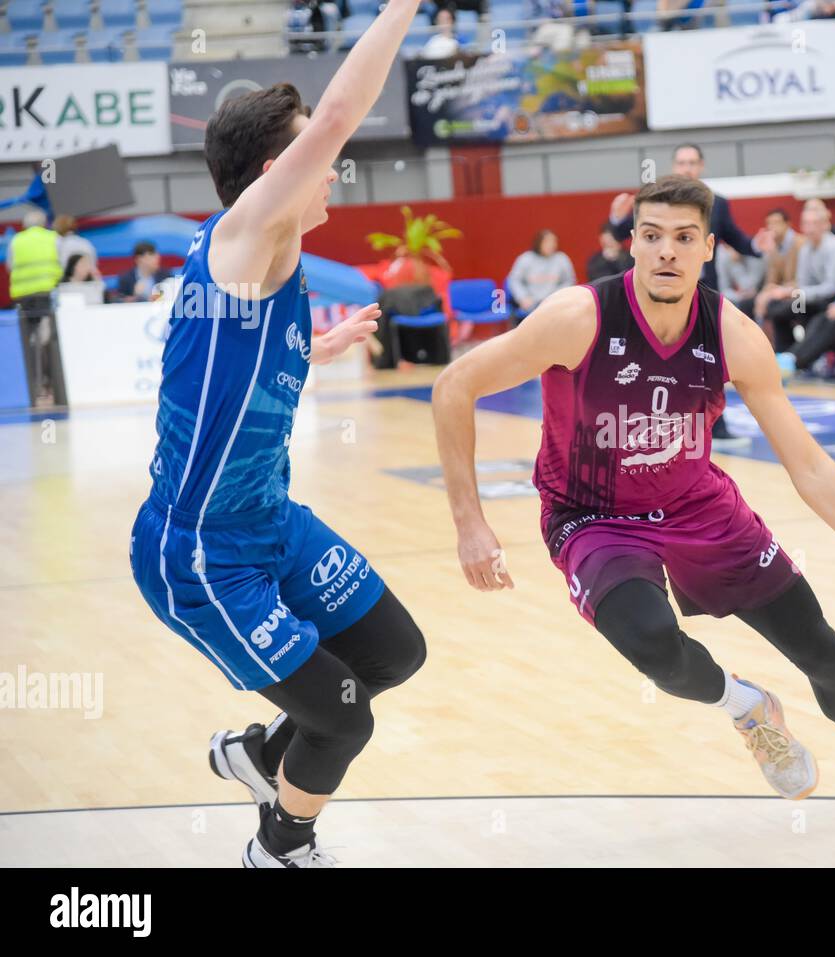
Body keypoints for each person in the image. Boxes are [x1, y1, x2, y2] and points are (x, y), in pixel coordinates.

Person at [432, 174, 835, 813]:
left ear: (707, 248)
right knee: (656, 649)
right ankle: (746, 707)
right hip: (593, 515)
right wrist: (471, 523)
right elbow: (454, 386)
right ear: (632, 244)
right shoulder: (577, 318)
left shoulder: (733, 334)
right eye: (652, 237)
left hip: (698, 506)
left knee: (818, 648)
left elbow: (811, 466)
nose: (667, 252)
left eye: (684, 239)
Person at [128, 2, 428, 869]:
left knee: (393, 651)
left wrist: (321, 348)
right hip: (203, 551)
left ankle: (258, 755)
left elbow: (239, 370)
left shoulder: (269, 265)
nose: (334, 169)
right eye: (318, 158)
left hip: (271, 522)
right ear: (277, 172)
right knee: (343, 712)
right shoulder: (243, 235)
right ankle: (279, 847)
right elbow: (338, 114)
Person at [605, 143, 769, 449]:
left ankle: (714, 428)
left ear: (701, 167)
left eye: (693, 162)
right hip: (653, 295)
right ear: (674, 166)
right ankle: (638, 427)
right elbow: (622, 235)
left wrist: (757, 246)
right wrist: (617, 220)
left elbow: (735, 238)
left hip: (701, 296)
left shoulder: (717, 204)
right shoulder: (653, 200)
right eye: (682, 162)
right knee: (643, 362)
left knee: (709, 362)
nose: (687, 168)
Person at [767, 202, 835, 369]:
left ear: (825, 225)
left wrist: (796, 292)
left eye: (815, 224)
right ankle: (784, 353)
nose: (810, 228)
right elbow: (802, 281)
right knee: (778, 309)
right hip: (812, 297)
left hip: (834, 299)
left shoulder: (834, 248)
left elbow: (832, 287)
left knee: (806, 310)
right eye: (806, 224)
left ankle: (795, 359)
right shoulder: (806, 248)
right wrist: (791, 293)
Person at [6, 209, 64, 406]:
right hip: (46, 296)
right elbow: (63, 264)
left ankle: (34, 389)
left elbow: (9, 266)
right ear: (44, 222)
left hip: (23, 298)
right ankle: (49, 386)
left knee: (29, 343)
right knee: (48, 341)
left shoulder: (16, 240)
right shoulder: (53, 238)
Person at [507, 228, 576, 321]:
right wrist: (522, 297)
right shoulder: (526, 258)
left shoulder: (561, 259)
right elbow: (514, 280)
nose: (551, 245)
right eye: (547, 241)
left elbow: (570, 281)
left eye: (553, 241)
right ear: (538, 242)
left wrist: (556, 295)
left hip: (554, 302)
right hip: (531, 303)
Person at [714, 242, 765, 316]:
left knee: (745, 304)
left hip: (757, 295)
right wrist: (739, 296)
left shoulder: (755, 252)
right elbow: (723, 290)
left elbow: (748, 287)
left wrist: (736, 263)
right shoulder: (723, 255)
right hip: (739, 298)